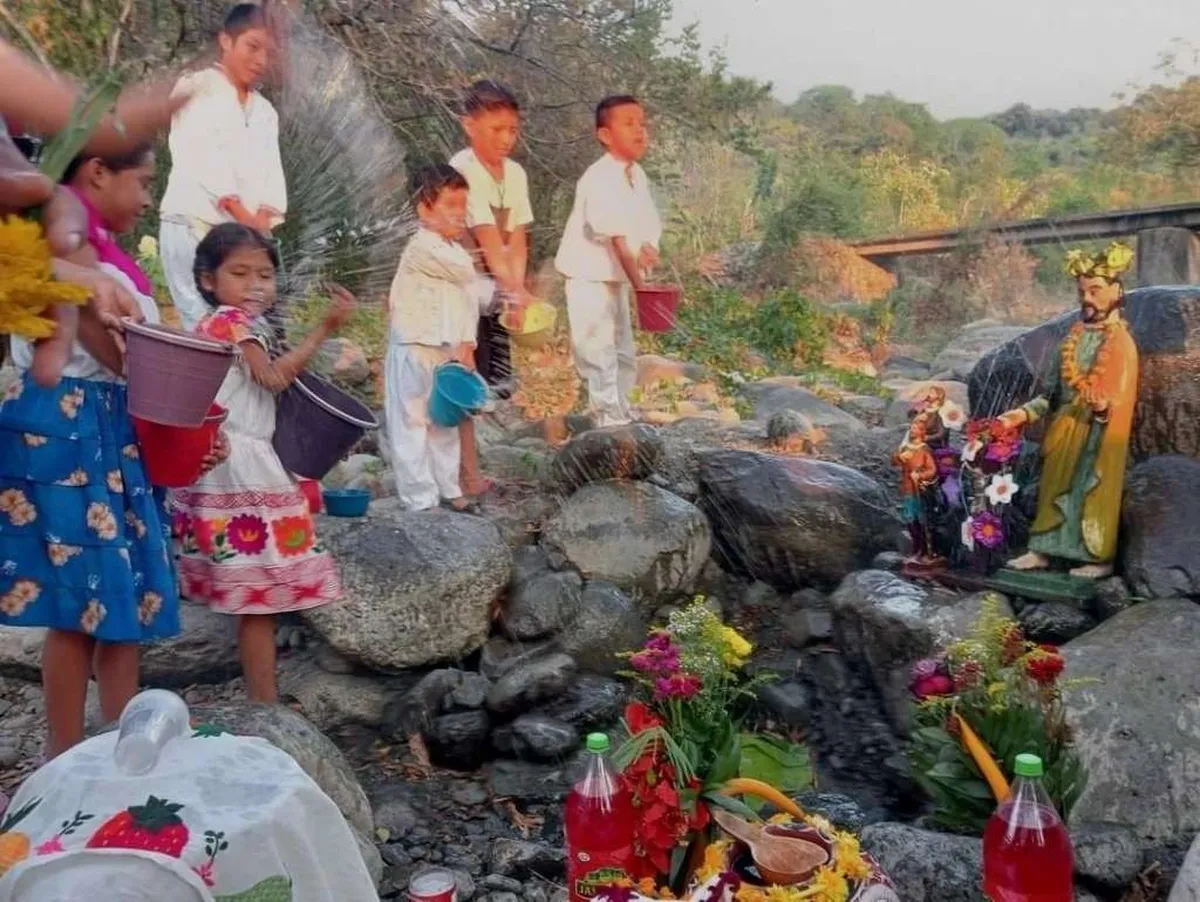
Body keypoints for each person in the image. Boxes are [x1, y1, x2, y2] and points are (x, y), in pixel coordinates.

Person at [0, 143, 227, 759]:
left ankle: (121, 753)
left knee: (120, 596)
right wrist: (180, 409)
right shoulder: (60, 249)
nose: (151, 198)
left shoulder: (103, 258)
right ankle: (65, 760)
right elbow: (120, 356)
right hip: (69, 428)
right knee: (79, 602)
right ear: (97, 172)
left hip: (105, 425)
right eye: (144, 182)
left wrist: (189, 427)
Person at [171, 224, 352, 702]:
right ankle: (264, 705)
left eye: (265, 275)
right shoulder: (231, 322)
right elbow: (271, 380)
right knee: (259, 596)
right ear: (209, 281)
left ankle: (261, 698)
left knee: (257, 595)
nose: (256, 285)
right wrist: (324, 330)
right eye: (241, 272)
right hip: (242, 466)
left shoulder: (227, 324)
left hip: (234, 458)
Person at [998, 242, 1139, 580]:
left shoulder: (1121, 342)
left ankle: (1096, 556)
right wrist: (1021, 415)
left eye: (1095, 290)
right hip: (1065, 430)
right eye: (1082, 291)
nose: (1087, 298)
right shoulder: (1070, 340)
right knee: (1053, 487)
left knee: (1092, 489)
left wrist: (1104, 406)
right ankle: (1042, 550)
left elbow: (1121, 394)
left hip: (1100, 434)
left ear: (1116, 291)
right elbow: (1050, 394)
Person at [159, 3, 287, 331]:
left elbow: (271, 173)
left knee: (249, 329)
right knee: (204, 328)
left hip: (246, 240)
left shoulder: (265, 112)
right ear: (226, 41)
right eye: (253, 47)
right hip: (194, 223)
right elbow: (202, 158)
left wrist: (262, 221)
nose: (260, 61)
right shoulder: (195, 88)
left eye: (269, 53)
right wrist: (246, 219)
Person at [555, 95, 662, 428]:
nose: (639, 131)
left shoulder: (637, 175)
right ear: (605, 135)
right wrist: (642, 287)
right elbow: (616, 240)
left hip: (617, 277)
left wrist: (648, 247)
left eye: (642, 124)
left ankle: (622, 405)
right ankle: (605, 413)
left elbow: (644, 224)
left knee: (623, 347)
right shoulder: (597, 178)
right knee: (597, 347)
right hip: (589, 275)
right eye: (629, 124)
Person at [450, 80, 534, 495]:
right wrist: (512, 291)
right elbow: (486, 236)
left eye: (512, 130)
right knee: (467, 355)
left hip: (494, 277)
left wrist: (515, 289)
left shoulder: (515, 174)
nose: (505, 139)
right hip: (462, 278)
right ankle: (464, 460)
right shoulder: (463, 169)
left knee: (499, 357)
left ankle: (493, 442)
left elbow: (516, 235)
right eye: (495, 129)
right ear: (470, 125)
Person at [384, 165, 478, 512]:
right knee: (411, 422)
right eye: (451, 204)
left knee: (444, 419)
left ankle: (449, 488)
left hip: (446, 349)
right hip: (414, 346)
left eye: (463, 205)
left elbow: (468, 303)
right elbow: (465, 275)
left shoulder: (454, 250)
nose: (460, 214)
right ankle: (419, 498)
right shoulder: (422, 247)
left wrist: (467, 344)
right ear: (424, 209)